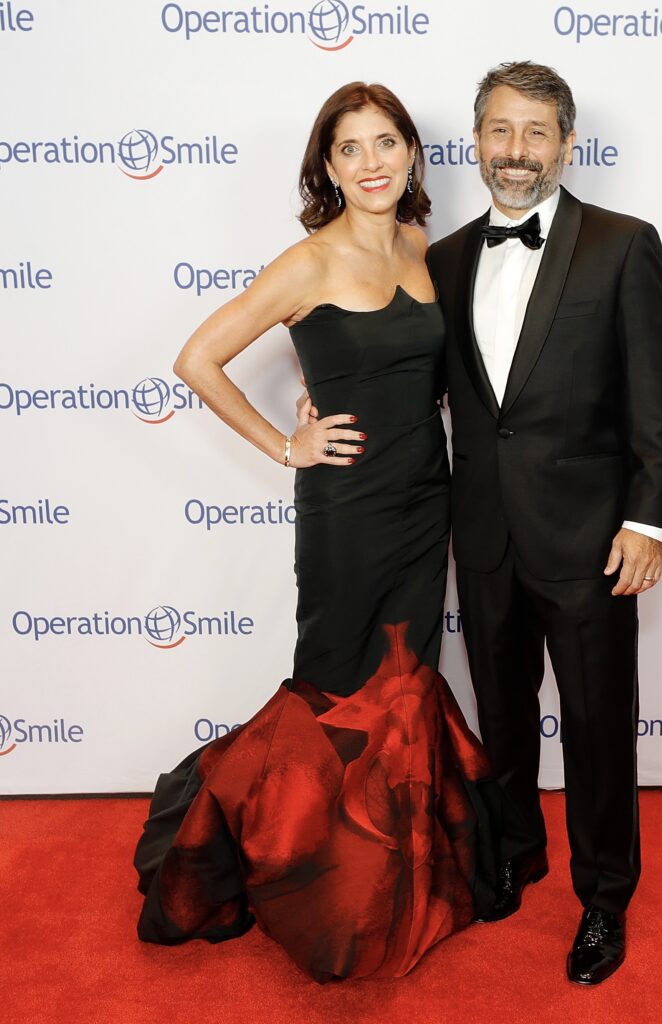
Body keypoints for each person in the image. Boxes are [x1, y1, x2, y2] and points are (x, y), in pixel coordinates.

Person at [133, 82, 501, 983]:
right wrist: (286, 444)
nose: (371, 162)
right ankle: (307, 870)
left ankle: (392, 874)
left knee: (405, 682)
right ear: (326, 166)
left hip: (426, 502)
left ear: (413, 154)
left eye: (387, 143)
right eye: (350, 148)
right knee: (337, 685)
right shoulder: (308, 262)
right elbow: (196, 359)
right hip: (346, 513)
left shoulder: (425, 250)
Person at [427, 62, 662, 986]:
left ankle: (603, 899)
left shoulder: (621, 245)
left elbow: (657, 401)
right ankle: (515, 855)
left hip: (588, 541)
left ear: (566, 145)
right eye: (500, 131)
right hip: (485, 533)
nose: (516, 152)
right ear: (476, 141)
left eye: (536, 133)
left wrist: (647, 523)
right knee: (501, 719)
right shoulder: (445, 257)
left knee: (593, 727)